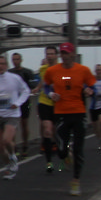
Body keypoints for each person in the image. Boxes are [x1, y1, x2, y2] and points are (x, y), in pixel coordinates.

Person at [45, 42, 97, 196]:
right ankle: (65, 155)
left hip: (78, 112)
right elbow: (46, 86)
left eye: (67, 53)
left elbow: (93, 85)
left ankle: (76, 180)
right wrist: (51, 94)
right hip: (61, 113)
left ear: (73, 54)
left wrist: (90, 90)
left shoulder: (83, 70)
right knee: (61, 150)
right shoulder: (52, 70)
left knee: (78, 149)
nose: (65, 56)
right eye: (62, 53)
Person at [35, 45, 62, 173]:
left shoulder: (63, 69)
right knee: (47, 129)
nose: (50, 56)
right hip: (44, 101)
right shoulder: (43, 69)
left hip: (59, 104)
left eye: (52, 54)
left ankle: (61, 148)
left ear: (57, 55)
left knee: (57, 131)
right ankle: (49, 162)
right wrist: (37, 88)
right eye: (48, 54)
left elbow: (68, 83)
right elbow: (43, 82)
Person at [7, 52, 38, 154]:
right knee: (13, 125)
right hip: (13, 101)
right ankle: (14, 147)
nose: (15, 61)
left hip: (24, 101)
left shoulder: (27, 72)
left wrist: (31, 88)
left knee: (24, 123)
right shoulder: (9, 72)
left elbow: (33, 84)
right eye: (13, 59)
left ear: (21, 60)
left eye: (17, 59)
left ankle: (25, 145)